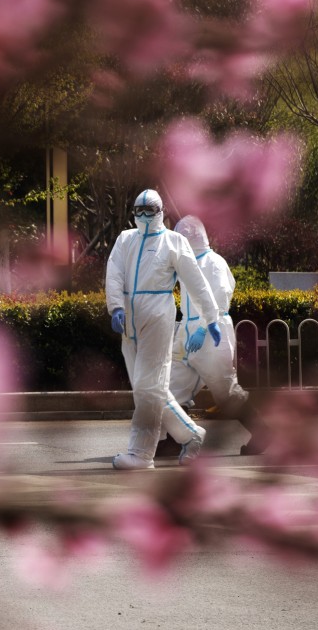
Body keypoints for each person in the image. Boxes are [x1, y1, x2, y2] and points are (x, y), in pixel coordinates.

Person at [106, 189, 222, 470]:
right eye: (139, 210)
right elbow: (114, 271)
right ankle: (192, 435)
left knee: (148, 387)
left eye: (149, 210)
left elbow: (196, 282)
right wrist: (116, 306)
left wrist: (211, 318)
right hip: (129, 319)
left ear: (160, 212)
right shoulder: (125, 239)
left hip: (158, 315)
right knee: (147, 388)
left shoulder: (174, 242)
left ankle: (141, 454)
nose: (143, 216)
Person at [161, 215, 270, 456]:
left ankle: (262, 432)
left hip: (211, 334)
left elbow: (219, 299)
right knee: (174, 387)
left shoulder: (213, 263)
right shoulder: (187, 265)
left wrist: (202, 327)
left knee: (226, 394)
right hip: (188, 333)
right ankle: (176, 439)